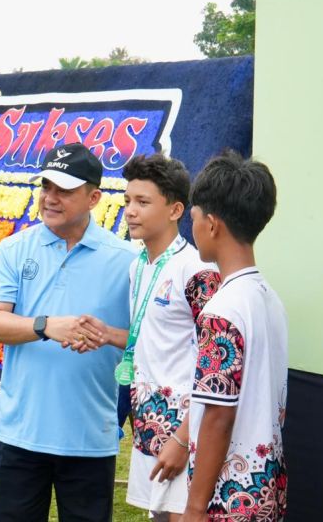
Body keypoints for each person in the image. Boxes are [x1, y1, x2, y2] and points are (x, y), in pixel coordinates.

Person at [0, 142, 137, 522]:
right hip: (20, 436)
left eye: (63, 190)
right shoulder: (12, 250)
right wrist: (46, 325)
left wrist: (105, 334)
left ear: (94, 197)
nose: (50, 198)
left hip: (90, 440)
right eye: (46, 186)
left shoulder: (127, 261)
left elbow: (144, 337)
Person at [179, 150, 288, 522]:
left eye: (192, 218)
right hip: (265, 486)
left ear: (211, 224)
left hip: (229, 497)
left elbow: (218, 417)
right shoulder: (268, 297)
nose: (191, 229)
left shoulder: (221, 310)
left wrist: (194, 507)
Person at [113, 154, 221, 521]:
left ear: (176, 210)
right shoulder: (137, 264)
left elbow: (217, 362)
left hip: (184, 432)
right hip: (147, 428)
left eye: (143, 202)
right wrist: (104, 335)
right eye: (128, 200)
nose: (130, 211)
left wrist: (183, 439)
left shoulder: (197, 271)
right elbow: (151, 336)